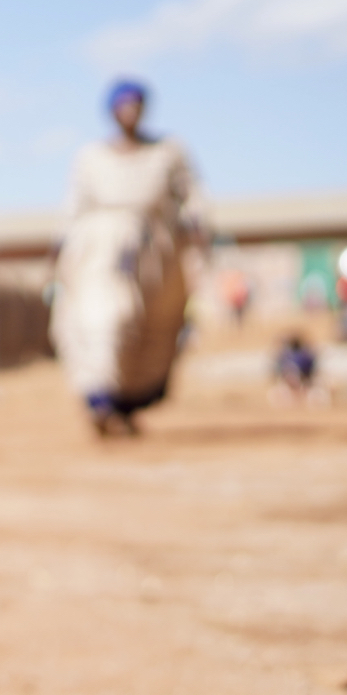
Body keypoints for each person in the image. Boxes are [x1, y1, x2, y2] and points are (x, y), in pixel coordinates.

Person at [51, 79, 205, 437]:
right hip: (101, 248)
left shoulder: (169, 151)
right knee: (105, 316)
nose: (129, 113)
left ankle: (127, 403)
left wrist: (197, 232)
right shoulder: (90, 157)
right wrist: (61, 247)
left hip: (157, 251)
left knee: (153, 326)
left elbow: (193, 197)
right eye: (123, 105)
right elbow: (73, 207)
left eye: (135, 105)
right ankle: (99, 397)